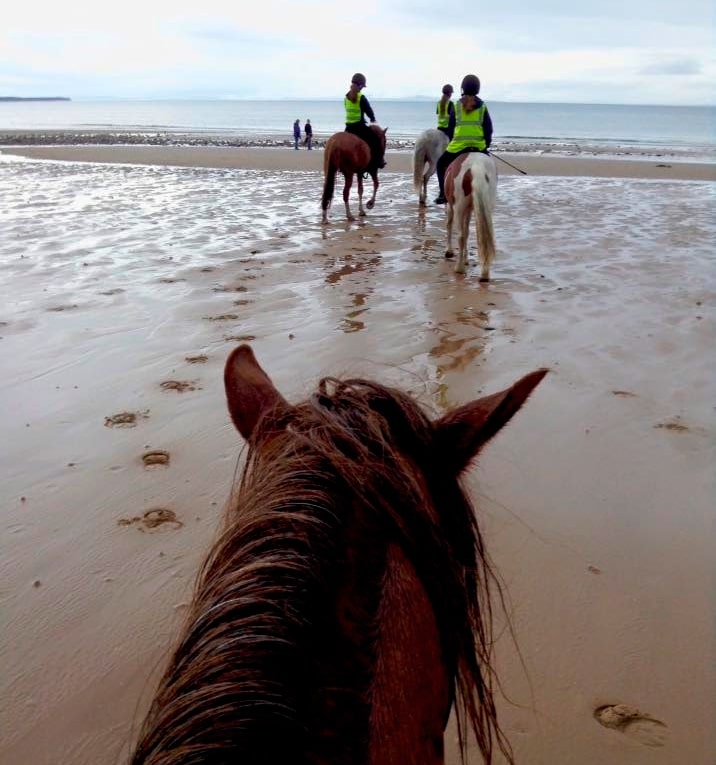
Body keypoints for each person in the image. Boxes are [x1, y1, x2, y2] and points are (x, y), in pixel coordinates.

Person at [434, 74, 493, 204]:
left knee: (440, 164)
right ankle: (490, 194)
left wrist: (453, 141)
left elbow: (450, 129)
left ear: (463, 89)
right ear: (477, 88)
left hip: (458, 148)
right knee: (491, 168)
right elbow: (488, 129)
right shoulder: (482, 107)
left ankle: (443, 194)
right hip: (478, 147)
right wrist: (486, 145)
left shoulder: (456, 106)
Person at [344, 72, 386, 169]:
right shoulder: (361, 97)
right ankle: (378, 161)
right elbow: (368, 110)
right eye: (362, 86)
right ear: (360, 85)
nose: (362, 88)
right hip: (359, 128)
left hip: (348, 128)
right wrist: (373, 119)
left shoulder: (346, 98)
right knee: (375, 140)